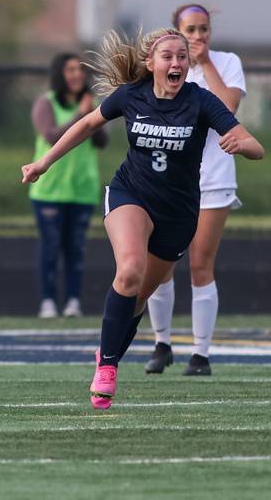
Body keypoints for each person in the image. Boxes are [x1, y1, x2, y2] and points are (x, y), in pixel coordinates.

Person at [21, 28, 263, 409]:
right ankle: (108, 366)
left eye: (182, 56)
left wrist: (242, 146)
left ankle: (108, 351)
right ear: (150, 63)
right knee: (129, 271)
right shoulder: (132, 96)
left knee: (137, 299)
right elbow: (86, 125)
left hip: (178, 213)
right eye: (168, 56)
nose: (177, 63)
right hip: (129, 195)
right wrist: (42, 163)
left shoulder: (200, 101)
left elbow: (255, 146)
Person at [145, 4, 246, 376]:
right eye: (191, 29)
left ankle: (200, 354)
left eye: (204, 29)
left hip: (214, 178)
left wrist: (206, 65)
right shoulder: (168, 65)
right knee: (161, 264)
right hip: (170, 182)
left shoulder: (226, 62)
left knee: (201, 263)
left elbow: (229, 109)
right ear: (176, 30)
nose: (199, 36)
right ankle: (162, 344)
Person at [29, 53, 108, 318]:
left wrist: (93, 115)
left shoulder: (91, 104)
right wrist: (81, 115)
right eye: (71, 70)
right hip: (49, 190)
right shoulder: (46, 103)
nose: (77, 75)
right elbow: (51, 136)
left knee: (75, 248)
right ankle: (48, 301)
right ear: (59, 74)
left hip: (82, 189)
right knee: (50, 247)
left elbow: (101, 141)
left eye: (80, 70)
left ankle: (73, 301)